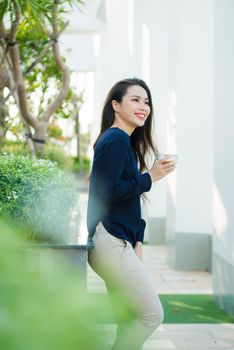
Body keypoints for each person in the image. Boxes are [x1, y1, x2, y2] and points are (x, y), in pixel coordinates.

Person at [87, 78, 176, 350]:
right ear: (116, 105)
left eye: (146, 101)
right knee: (151, 314)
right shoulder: (115, 139)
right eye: (135, 100)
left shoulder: (121, 141)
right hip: (110, 239)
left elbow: (124, 199)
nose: (143, 107)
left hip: (117, 239)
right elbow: (109, 191)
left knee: (127, 319)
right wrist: (150, 177)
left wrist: (137, 238)